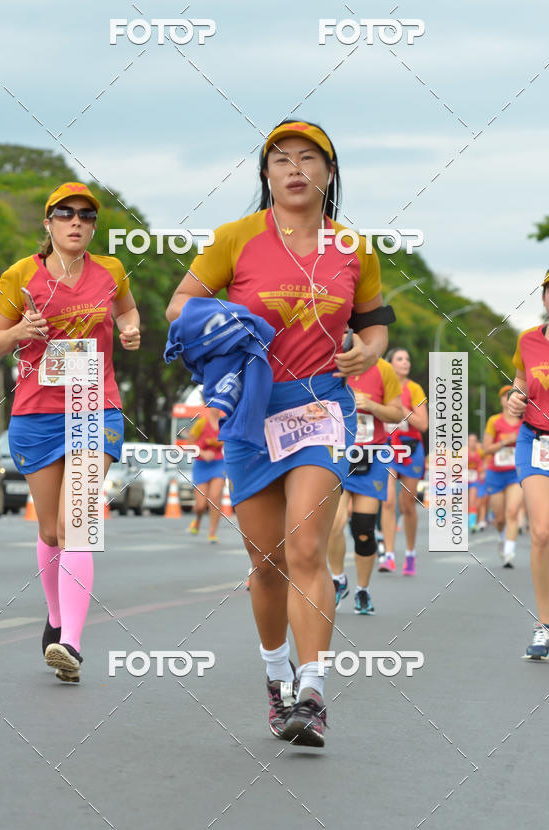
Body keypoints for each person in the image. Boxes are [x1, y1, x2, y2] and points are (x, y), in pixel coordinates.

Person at [166, 120, 394, 746]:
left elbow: (375, 326)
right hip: (251, 411)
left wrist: (364, 353)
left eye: (308, 158)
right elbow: (178, 306)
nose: (294, 168)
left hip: (321, 406)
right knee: (265, 563)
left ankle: (314, 692)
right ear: (266, 175)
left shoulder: (354, 247)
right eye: (280, 159)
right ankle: (277, 680)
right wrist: (226, 325)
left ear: (329, 172)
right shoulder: (234, 238)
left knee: (304, 551)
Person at [0, 182, 140, 682]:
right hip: (36, 413)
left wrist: (129, 329)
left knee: (78, 519)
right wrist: (19, 335)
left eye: (87, 216)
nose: (78, 223)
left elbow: (127, 310)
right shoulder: (20, 276)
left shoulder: (111, 272)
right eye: (66, 214)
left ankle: (71, 643)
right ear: (48, 223)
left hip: (95, 407)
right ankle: (55, 620)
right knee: (52, 529)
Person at [509, 262, 549, 660]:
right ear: (543, 296)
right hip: (536, 444)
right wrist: (512, 399)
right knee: (543, 532)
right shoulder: (528, 340)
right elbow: (520, 386)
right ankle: (544, 624)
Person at [328, 358, 402, 613]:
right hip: (338, 454)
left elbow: (397, 413)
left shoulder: (383, 368)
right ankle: (338, 580)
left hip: (371, 456)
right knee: (333, 525)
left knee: (363, 529)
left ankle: (362, 590)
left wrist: (370, 405)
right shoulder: (327, 362)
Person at [379, 348, 428, 575]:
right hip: (388, 445)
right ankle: (388, 555)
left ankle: (410, 553)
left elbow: (423, 424)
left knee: (407, 504)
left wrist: (403, 409)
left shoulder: (414, 388)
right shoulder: (383, 384)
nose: (405, 362)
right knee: (388, 501)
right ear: (390, 363)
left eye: (408, 359)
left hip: (410, 448)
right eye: (400, 358)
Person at [483, 386, 523, 567]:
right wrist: (505, 441)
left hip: (516, 473)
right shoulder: (494, 421)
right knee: (500, 518)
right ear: (501, 401)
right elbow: (486, 449)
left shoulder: (524, 422)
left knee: (512, 512)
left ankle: (509, 552)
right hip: (496, 473)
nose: (508, 400)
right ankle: (501, 536)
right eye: (505, 396)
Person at [187, 404, 226, 542]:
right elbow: (189, 444)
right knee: (200, 505)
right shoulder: (201, 424)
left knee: (215, 498)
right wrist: (202, 453)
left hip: (219, 464)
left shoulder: (224, 422)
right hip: (201, 465)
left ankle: (212, 533)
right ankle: (197, 518)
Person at [467, 433, 483, 532]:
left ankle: (472, 524)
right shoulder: (463, 452)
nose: (472, 442)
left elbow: (480, 465)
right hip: (463, 479)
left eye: (474, 440)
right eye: (470, 440)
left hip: (474, 479)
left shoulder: (479, 453)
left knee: (472, 501)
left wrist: (482, 473)